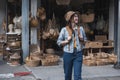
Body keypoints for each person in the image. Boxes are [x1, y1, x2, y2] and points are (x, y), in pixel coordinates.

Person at [57, 11, 87, 80]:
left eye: (77, 16)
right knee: (67, 75)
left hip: (78, 54)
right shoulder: (64, 30)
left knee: (78, 77)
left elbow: (85, 41)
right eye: (74, 16)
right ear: (70, 19)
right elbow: (59, 42)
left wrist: (82, 39)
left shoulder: (81, 29)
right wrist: (67, 41)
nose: (76, 18)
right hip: (68, 54)